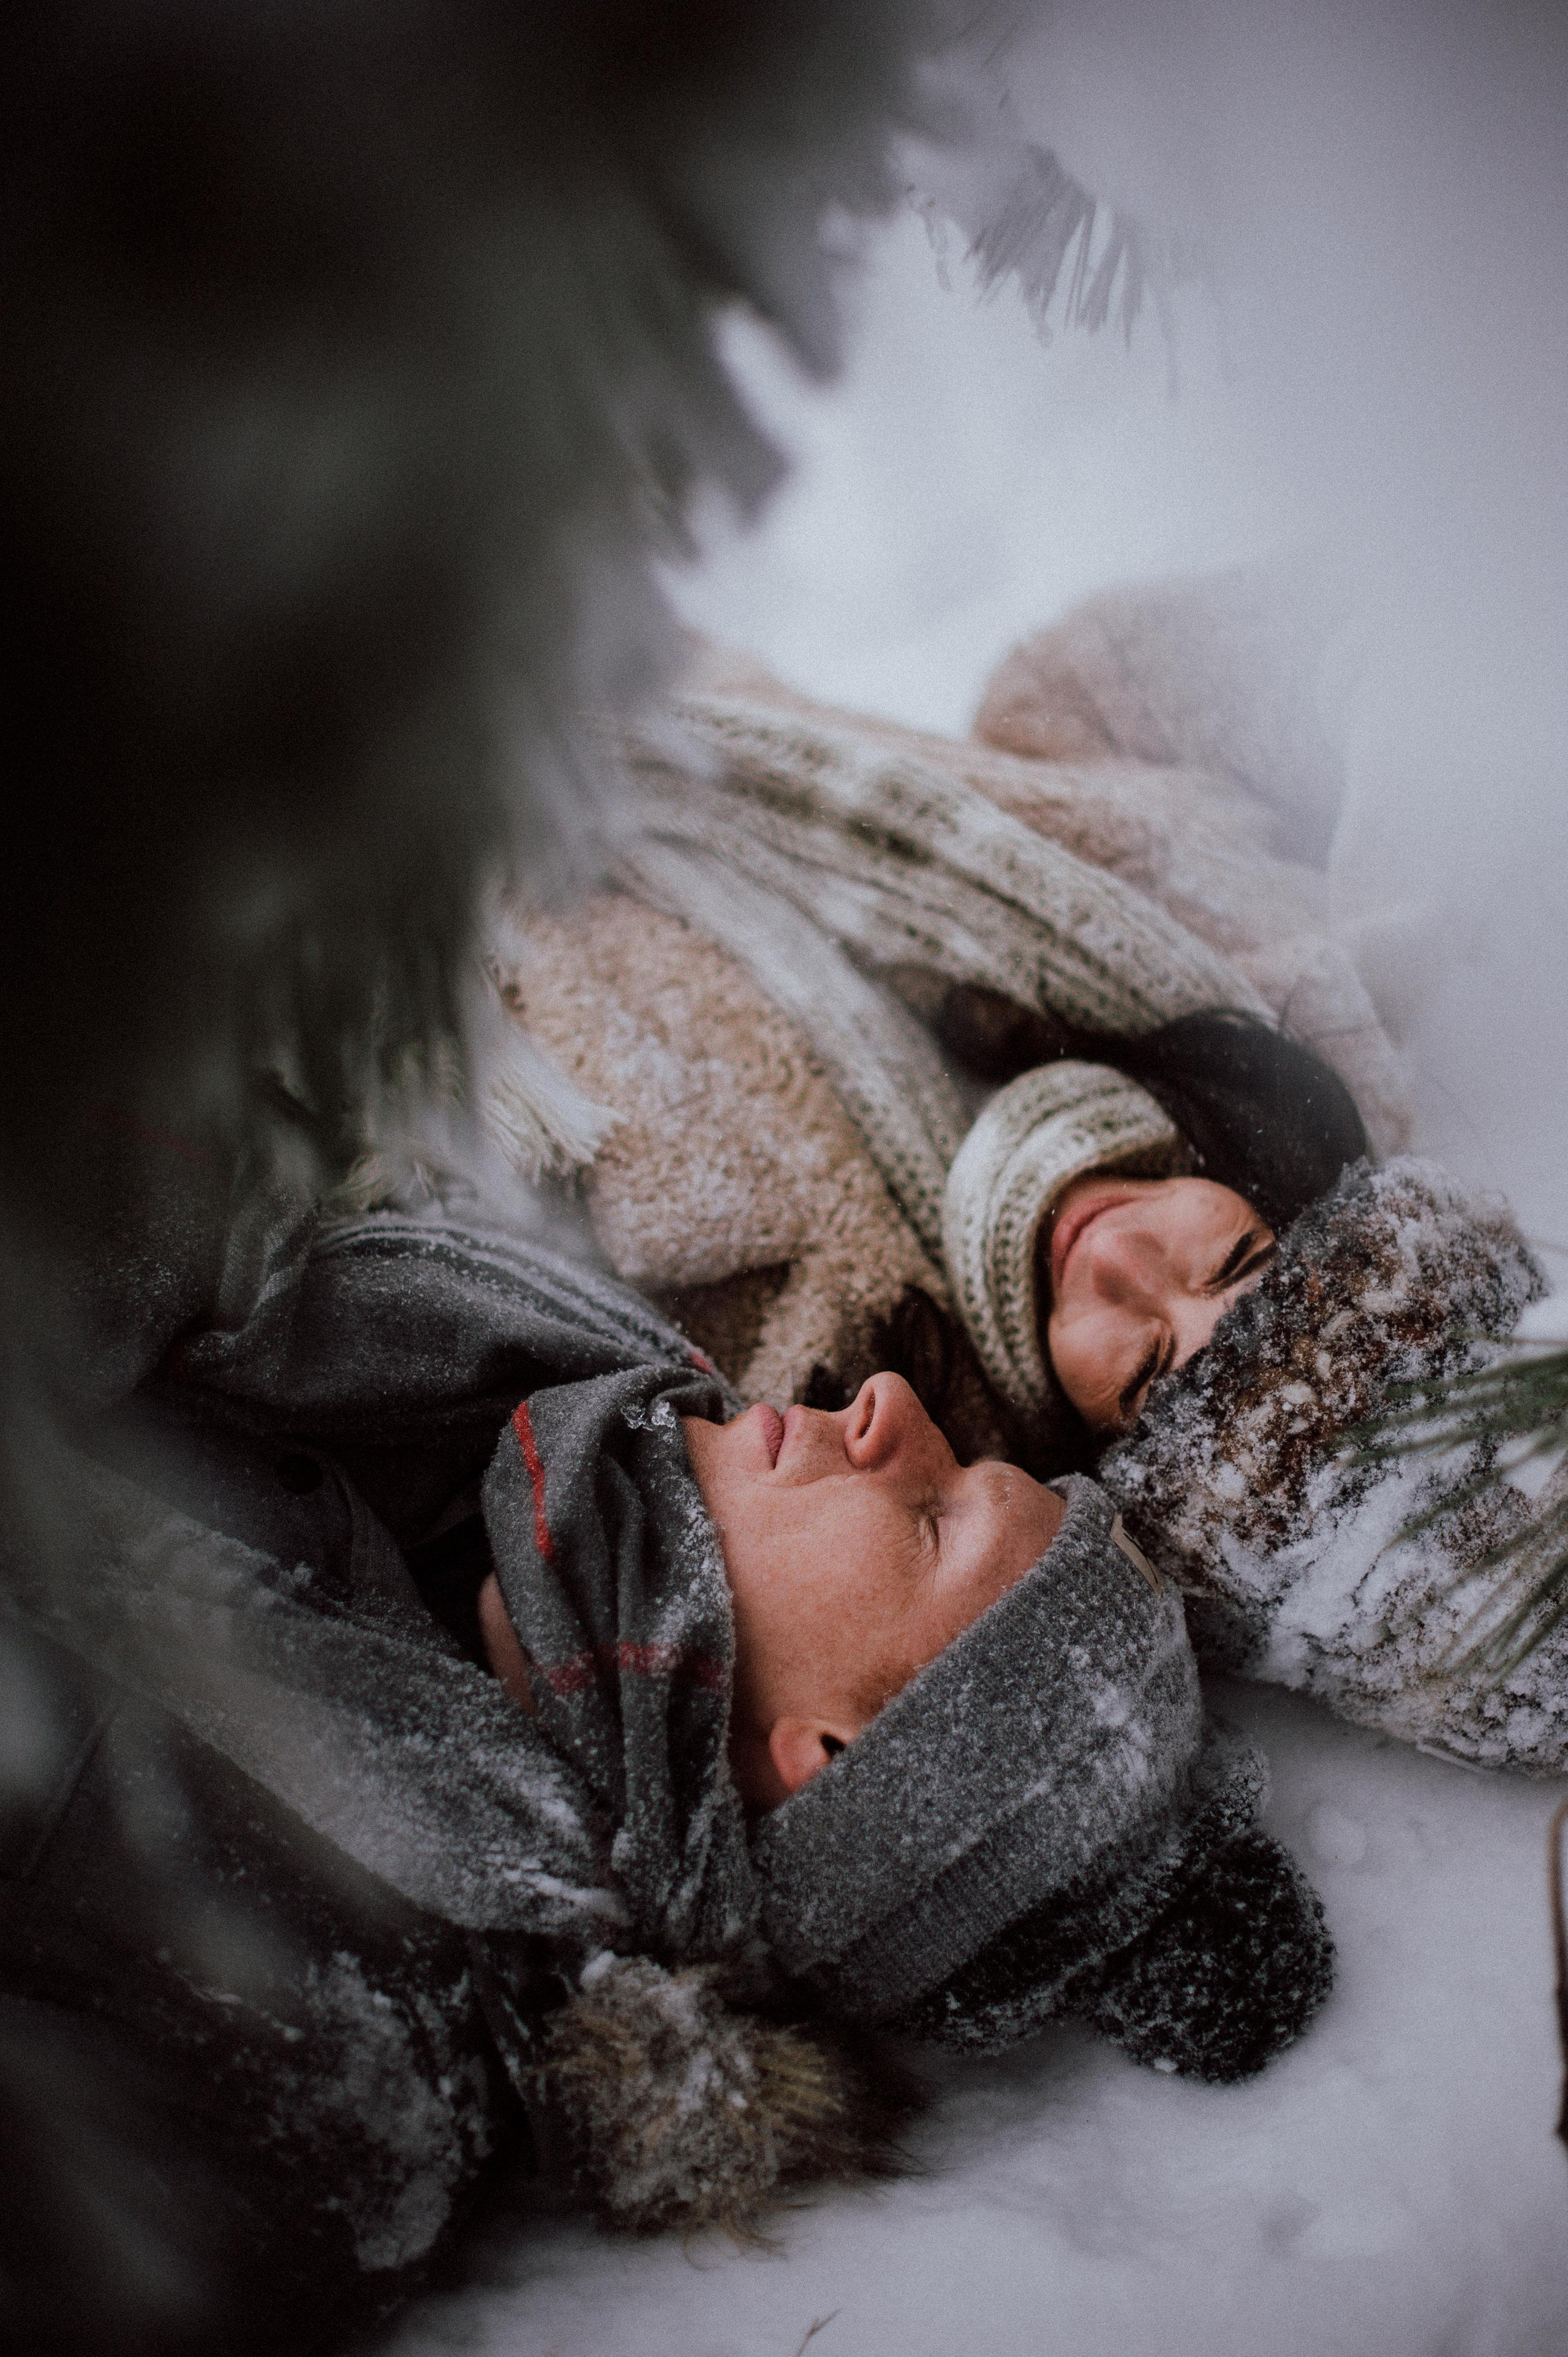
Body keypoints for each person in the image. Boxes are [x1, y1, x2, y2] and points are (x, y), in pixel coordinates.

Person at [2, 1199, 1332, 2357]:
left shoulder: (324, 2080)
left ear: (832, 1764)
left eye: (931, 1521)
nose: (892, 1406)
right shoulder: (511, 1392)